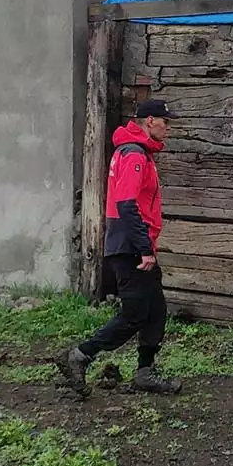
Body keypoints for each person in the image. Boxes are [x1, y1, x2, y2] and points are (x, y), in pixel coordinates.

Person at [56, 99, 181, 398]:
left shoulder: (134, 152)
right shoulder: (134, 155)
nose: (169, 128)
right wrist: (144, 248)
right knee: (135, 314)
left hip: (133, 244)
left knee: (156, 311)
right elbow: (127, 205)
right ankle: (80, 355)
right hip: (130, 247)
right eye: (166, 122)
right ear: (150, 121)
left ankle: (144, 373)